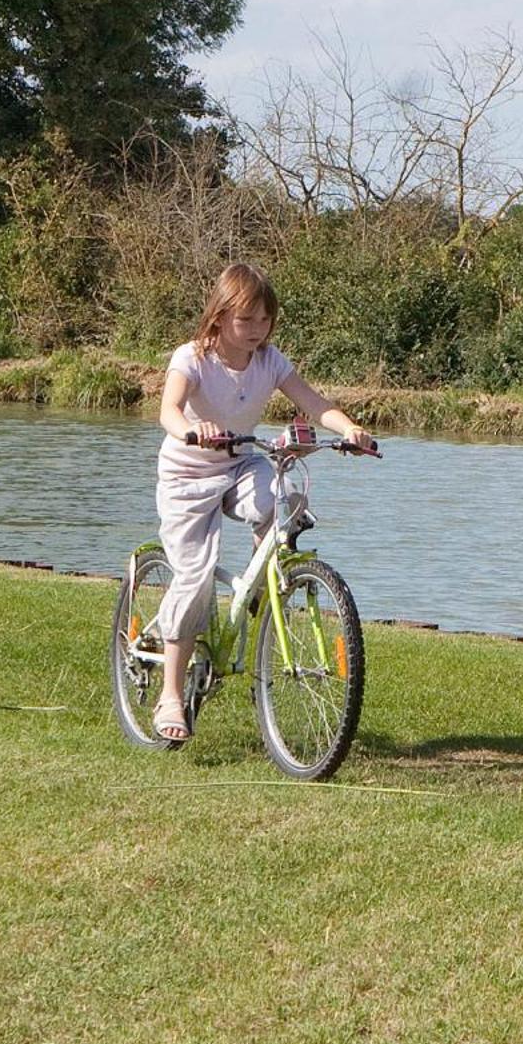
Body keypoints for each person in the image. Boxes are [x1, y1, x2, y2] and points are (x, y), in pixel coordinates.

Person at [151, 263, 374, 742]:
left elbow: (314, 403)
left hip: (240, 463)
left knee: (284, 499)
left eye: (264, 320)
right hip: (188, 474)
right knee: (194, 577)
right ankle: (171, 694)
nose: (256, 331)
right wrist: (194, 430)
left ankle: (259, 584)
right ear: (219, 316)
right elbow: (168, 409)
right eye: (245, 320)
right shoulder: (192, 357)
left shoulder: (270, 360)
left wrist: (349, 429)